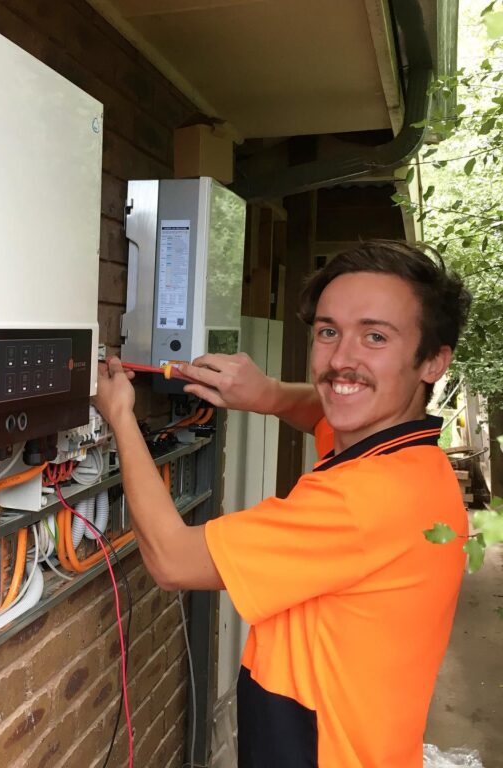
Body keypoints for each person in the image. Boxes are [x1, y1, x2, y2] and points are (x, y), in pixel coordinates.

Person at [92, 240, 472, 767]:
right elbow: (328, 403)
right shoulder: (410, 458)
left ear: (433, 361)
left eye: (376, 336)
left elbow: (173, 559)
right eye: (328, 331)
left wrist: (121, 419)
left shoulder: (363, 498)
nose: (342, 359)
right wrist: (266, 394)